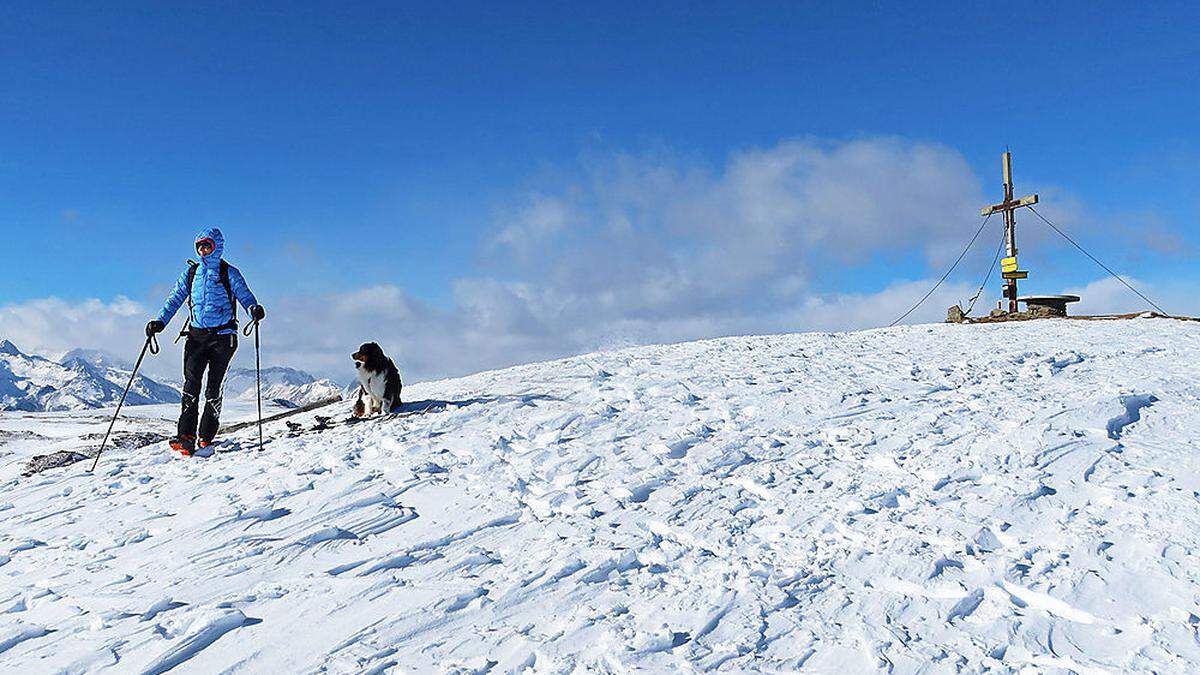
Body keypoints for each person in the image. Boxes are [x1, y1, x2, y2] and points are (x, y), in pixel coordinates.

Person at [145, 228, 264, 456]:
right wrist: (159, 322)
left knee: (213, 388)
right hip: (196, 336)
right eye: (199, 245)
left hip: (223, 336)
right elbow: (174, 299)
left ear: (216, 246)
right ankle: (186, 437)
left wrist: (253, 309)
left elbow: (245, 295)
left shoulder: (229, 272)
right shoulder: (191, 274)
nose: (202, 249)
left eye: (206, 245)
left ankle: (206, 437)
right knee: (190, 386)